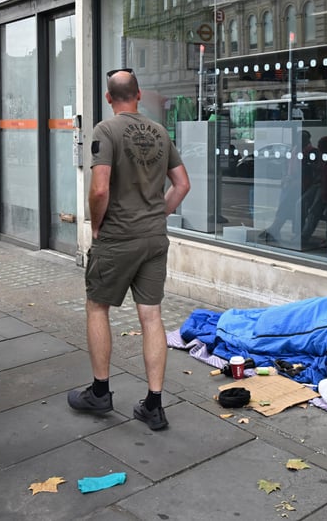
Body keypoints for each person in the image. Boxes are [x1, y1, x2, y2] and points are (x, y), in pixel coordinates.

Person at [67, 68, 190, 431]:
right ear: (139, 94)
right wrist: (158, 213)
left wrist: (97, 224)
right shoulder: (160, 131)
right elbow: (182, 185)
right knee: (151, 315)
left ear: (109, 98)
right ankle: (154, 405)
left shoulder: (106, 130)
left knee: (97, 306)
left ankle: (100, 392)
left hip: (119, 237)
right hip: (154, 238)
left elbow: (100, 189)